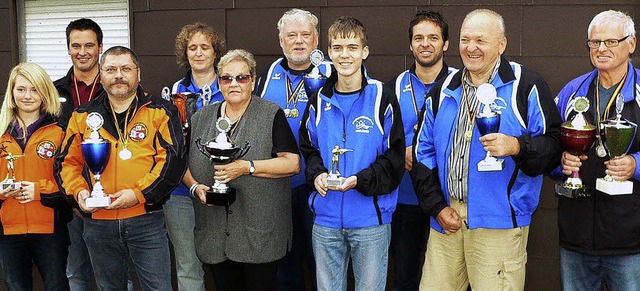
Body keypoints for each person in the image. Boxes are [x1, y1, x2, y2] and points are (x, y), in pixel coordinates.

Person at [412, 9, 562, 290]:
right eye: (465, 40)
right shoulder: (443, 89)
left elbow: (553, 147)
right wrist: (437, 206)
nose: (471, 48)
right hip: (447, 219)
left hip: (500, 223)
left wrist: (518, 146)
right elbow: (423, 155)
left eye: (481, 40)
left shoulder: (526, 86)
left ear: (502, 44)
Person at [54, 46, 186, 290]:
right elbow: (66, 163)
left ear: (138, 73)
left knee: (158, 287)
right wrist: (79, 193)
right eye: (111, 69)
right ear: (101, 76)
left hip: (146, 219)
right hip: (98, 222)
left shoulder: (161, 111)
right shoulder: (82, 116)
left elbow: (172, 161)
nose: (118, 75)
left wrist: (137, 195)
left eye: (126, 69)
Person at [299, 16, 405, 290]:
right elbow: (309, 150)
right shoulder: (318, 100)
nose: (344, 55)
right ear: (329, 52)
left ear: (364, 51)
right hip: (325, 221)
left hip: (370, 221)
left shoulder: (383, 97)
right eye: (337, 48)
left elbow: (394, 159)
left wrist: (361, 180)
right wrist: (318, 175)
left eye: (352, 47)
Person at [186, 49, 300, 291]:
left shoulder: (271, 114)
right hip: (215, 232)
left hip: (259, 233)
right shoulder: (201, 118)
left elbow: (292, 163)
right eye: (227, 78)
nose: (234, 83)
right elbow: (182, 164)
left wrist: (246, 167)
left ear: (253, 81)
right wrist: (195, 188)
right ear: (219, 82)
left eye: (242, 78)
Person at [554, 10, 640, 290]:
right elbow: (549, 146)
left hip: (631, 241)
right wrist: (561, 162)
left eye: (611, 42)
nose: (601, 49)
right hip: (576, 238)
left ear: (632, 44)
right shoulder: (572, 91)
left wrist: (635, 165)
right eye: (594, 42)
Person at [254, 8, 331, 290]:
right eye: (292, 35)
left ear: (316, 39)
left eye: (305, 35)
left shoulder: (332, 72)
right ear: (281, 41)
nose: (299, 41)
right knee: (284, 265)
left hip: (320, 184)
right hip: (279, 186)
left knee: (321, 261)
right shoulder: (268, 74)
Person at [387, 10, 454, 291]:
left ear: (445, 44)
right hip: (405, 199)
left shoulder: (461, 84)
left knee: (451, 279)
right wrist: (398, 151)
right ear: (411, 44)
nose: (425, 44)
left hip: (449, 199)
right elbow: (380, 137)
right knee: (406, 278)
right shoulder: (391, 88)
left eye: (433, 38)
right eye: (419, 38)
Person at [165, 22, 225, 291]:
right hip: (181, 192)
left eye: (205, 47)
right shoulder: (173, 92)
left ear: (215, 53)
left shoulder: (231, 86)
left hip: (226, 187)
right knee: (188, 266)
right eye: (192, 48)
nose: (199, 53)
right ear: (184, 53)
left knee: (228, 262)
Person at [0, 62, 71, 290]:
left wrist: (39, 190)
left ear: (44, 93)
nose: (27, 96)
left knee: (56, 285)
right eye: (21, 89)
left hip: (50, 228)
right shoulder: (1, 132)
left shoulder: (60, 131)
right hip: (8, 229)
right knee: (15, 286)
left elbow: (71, 181)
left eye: (34, 89)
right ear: (12, 92)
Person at [53, 18, 104, 291]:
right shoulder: (52, 92)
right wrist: (71, 195)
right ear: (68, 48)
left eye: (89, 45)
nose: (82, 51)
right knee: (75, 273)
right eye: (76, 45)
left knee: (115, 273)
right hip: (67, 197)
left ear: (100, 47)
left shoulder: (115, 90)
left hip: (109, 197)